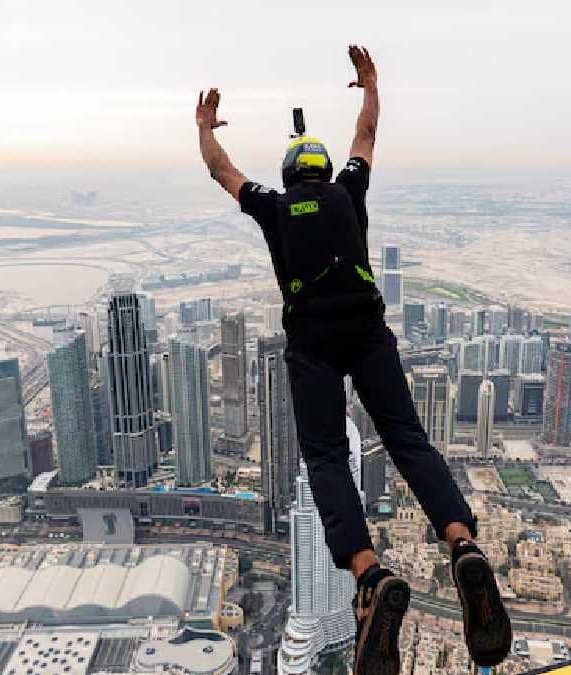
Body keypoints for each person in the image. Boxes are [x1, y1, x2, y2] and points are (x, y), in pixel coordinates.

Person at [195, 46, 511, 675]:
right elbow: (366, 133)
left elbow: (221, 170)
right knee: (407, 439)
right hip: (367, 331)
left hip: (312, 343)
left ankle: (369, 576)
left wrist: (205, 127)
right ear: (323, 167)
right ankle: (463, 544)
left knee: (325, 458)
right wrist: (370, 85)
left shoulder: (273, 207)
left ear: (289, 176)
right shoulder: (349, 188)